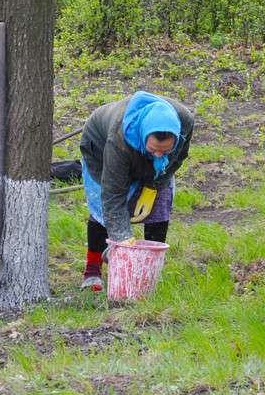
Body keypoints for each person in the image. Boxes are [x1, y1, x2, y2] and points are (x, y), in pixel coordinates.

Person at [80, 91, 195, 291]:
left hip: (143, 153)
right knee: (103, 210)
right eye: (154, 150)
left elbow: (177, 158)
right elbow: (112, 195)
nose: (159, 154)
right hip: (101, 149)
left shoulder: (184, 121)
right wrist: (122, 239)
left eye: (165, 150)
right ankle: (93, 271)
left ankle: (149, 271)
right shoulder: (119, 139)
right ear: (144, 136)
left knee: (161, 202)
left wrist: (153, 186)